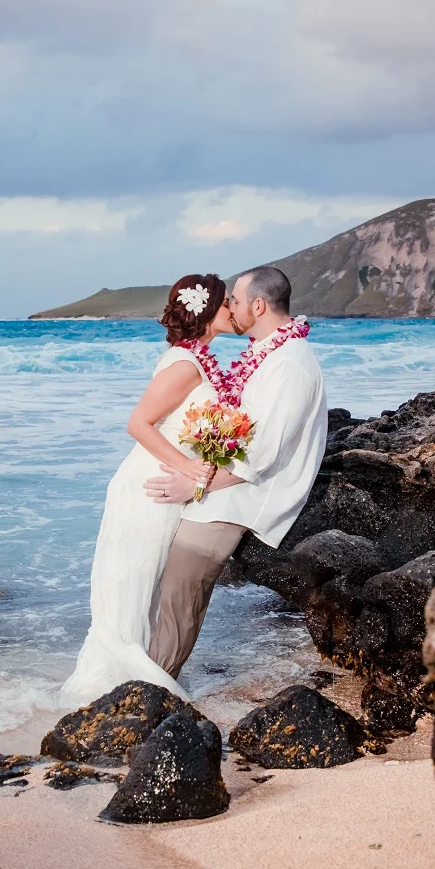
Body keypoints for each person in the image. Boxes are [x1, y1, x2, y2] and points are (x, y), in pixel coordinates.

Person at [58, 274, 235, 704]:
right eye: (227, 302)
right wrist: (191, 469)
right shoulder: (184, 366)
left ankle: (139, 682)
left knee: (146, 589)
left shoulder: (196, 359)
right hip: (149, 488)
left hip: (163, 487)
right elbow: (138, 423)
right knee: (131, 589)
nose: (233, 309)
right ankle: (115, 687)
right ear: (208, 310)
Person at [144, 266, 327, 679]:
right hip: (226, 484)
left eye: (237, 301)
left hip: (245, 495)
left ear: (258, 306)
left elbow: (261, 455)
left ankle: (153, 685)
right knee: (168, 586)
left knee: (181, 590)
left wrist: (193, 482)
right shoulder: (271, 354)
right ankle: (148, 675)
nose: (231, 308)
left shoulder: (290, 364)